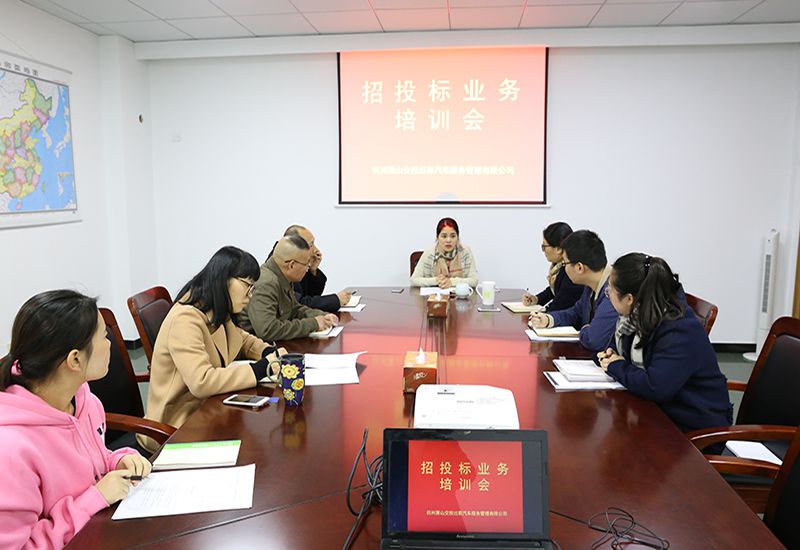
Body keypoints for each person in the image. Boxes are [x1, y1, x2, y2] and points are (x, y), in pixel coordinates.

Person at [0, 290, 152, 549]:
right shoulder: (11, 449)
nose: (110, 344)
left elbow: (92, 460)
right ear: (75, 359)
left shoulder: (83, 399)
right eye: (104, 336)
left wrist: (118, 460)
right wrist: (94, 498)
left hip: (99, 531)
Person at [139, 246, 282, 453]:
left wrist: (267, 352)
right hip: (176, 425)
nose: (250, 295)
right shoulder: (185, 319)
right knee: (258, 446)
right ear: (224, 279)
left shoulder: (214, 309)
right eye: (248, 286)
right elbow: (202, 381)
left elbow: (241, 339)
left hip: (206, 409)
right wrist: (261, 369)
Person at [598, 253, 732, 433]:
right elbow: (617, 350)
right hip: (661, 412)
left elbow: (655, 387)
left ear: (629, 299)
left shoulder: (679, 329)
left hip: (693, 426)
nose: (608, 295)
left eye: (610, 291)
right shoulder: (637, 317)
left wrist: (616, 366)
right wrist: (611, 356)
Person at [529, 230, 617, 351]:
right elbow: (575, 313)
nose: (564, 269)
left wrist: (584, 329)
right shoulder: (590, 285)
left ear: (579, 267)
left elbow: (594, 340)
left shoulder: (613, 292)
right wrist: (549, 319)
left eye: (565, 264)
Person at [239, 235, 339, 341]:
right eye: (306, 265)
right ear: (291, 265)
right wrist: (313, 324)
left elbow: (293, 309)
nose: (307, 270)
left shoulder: (282, 275)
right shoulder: (266, 283)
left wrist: (322, 316)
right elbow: (268, 330)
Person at [272, 225, 352, 313]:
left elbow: (310, 296)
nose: (315, 250)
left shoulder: (295, 259)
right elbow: (298, 304)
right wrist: (336, 300)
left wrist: (312, 271)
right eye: (310, 245)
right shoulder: (279, 267)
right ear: (294, 246)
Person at [521, 221, 583, 312]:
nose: (543, 251)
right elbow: (554, 290)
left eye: (544, 246)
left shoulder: (571, 272)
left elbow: (558, 307)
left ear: (559, 249)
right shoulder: (559, 268)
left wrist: (542, 314)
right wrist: (537, 299)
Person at [410, 217, 479, 288]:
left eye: (453, 236)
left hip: (459, 294)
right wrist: (436, 280)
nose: (448, 240)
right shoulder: (430, 253)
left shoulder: (465, 251)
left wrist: (452, 282)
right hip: (434, 294)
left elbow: (474, 280)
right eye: (444, 236)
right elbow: (414, 280)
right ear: (437, 237)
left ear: (457, 237)